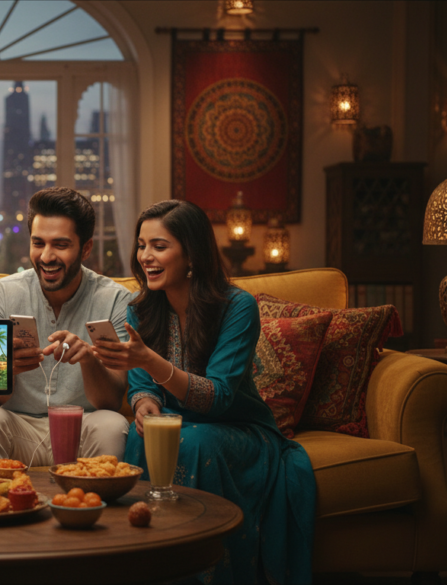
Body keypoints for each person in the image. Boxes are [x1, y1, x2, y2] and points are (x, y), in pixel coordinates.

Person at [91, 199, 315, 584]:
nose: (146, 256)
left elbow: (219, 397)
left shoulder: (237, 307)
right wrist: (144, 404)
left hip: (237, 428)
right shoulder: (140, 309)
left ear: (191, 252)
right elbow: (142, 386)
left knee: (192, 443)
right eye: (142, 245)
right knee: (139, 441)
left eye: (159, 246)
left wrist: (149, 360)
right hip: (177, 425)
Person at [0, 187, 132, 468]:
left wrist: (88, 359)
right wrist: (6, 369)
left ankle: (90, 510)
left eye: (61, 245)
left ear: (86, 248)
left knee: (112, 424)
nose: (46, 256)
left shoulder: (115, 300)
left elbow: (111, 401)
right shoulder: (3, 294)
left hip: (84, 425)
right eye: (38, 243)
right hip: (19, 426)